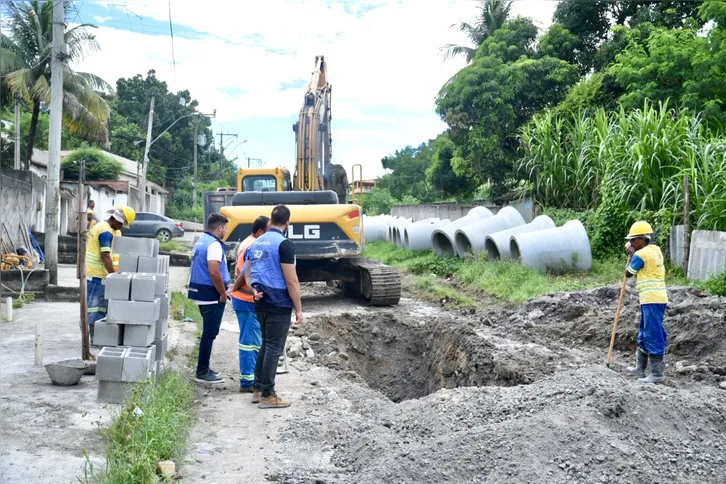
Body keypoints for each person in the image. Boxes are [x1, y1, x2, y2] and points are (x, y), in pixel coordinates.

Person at [244, 204, 303, 408]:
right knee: (274, 347)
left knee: (266, 344)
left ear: (271, 220)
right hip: (278, 300)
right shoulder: (284, 244)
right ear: (287, 222)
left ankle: (258, 389)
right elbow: (292, 281)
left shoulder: (256, 243)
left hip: (260, 299)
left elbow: (247, 273)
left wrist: (253, 290)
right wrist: (299, 308)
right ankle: (268, 394)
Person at [228, 216, 270, 393]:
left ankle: (250, 377)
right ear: (260, 232)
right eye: (270, 230)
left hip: (243, 298)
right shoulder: (252, 246)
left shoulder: (248, 242)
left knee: (251, 340)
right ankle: (247, 381)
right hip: (246, 299)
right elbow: (247, 274)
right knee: (250, 342)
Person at [188, 213, 231, 384]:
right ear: (219, 228)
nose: (226, 231)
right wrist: (222, 292)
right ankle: (202, 371)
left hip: (200, 292)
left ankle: (204, 366)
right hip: (211, 294)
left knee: (208, 333)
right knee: (209, 333)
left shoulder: (202, 241)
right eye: (225, 228)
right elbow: (214, 271)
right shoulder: (214, 245)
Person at [624, 221, 668, 384]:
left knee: (652, 333)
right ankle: (639, 368)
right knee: (644, 331)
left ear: (642, 239)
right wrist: (632, 252)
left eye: (634, 240)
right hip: (655, 299)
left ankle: (656, 373)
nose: (631, 243)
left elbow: (629, 274)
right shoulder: (655, 250)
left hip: (652, 299)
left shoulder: (640, 255)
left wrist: (630, 255)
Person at [86, 206, 136, 343]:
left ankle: (99, 337)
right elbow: (106, 256)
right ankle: (94, 338)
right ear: (116, 220)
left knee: (100, 308)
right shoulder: (106, 232)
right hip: (97, 276)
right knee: (95, 309)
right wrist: (114, 276)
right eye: (121, 224)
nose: (121, 227)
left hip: (98, 276)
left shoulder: (103, 226)